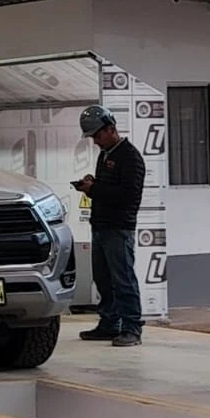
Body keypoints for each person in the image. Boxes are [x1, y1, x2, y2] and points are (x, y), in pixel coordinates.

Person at [71, 105, 146, 347]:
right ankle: (110, 323)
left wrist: (94, 189)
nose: (95, 141)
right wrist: (92, 185)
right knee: (104, 280)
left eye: (97, 136)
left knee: (123, 279)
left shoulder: (130, 157)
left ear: (111, 129)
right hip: (101, 226)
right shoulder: (106, 155)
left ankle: (132, 327)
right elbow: (108, 189)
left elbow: (128, 195)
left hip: (118, 228)